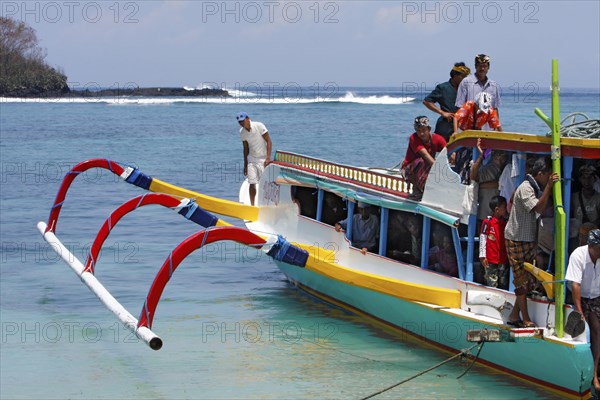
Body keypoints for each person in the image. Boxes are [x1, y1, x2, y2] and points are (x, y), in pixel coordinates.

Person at [504, 157, 559, 328]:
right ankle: (525, 318)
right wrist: (549, 187)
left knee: (525, 281)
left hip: (526, 239)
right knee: (521, 281)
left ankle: (514, 315)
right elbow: (538, 209)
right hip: (516, 239)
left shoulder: (534, 188)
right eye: (547, 175)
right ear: (541, 174)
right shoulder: (526, 188)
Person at [565, 229, 600, 392]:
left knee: (597, 330)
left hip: (596, 297)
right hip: (577, 296)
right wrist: (580, 312)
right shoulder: (578, 255)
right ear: (592, 246)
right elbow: (575, 285)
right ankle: (574, 371)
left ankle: (594, 374)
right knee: (576, 330)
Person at [451, 92, 502, 184]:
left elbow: (497, 126)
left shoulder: (490, 110)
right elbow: (456, 117)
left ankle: (474, 180)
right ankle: (462, 181)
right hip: (465, 134)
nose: (482, 112)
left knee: (484, 156)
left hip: (478, 134)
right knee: (463, 160)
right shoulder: (469, 105)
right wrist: (455, 131)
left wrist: (501, 137)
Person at [423, 62, 471, 141]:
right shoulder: (443, 88)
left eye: (466, 77)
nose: (465, 79)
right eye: (463, 76)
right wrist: (442, 112)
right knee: (442, 151)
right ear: (455, 75)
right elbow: (427, 101)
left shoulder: (467, 89)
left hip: (462, 127)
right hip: (445, 127)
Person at [401, 116, 447, 196]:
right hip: (409, 169)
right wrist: (441, 171)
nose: (421, 133)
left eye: (423, 130)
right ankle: (417, 189)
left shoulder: (438, 139)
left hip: (428, 167)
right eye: (418, 131)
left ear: (429, 129)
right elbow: (425, 155)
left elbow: (449, 151)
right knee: (423, 161)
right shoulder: (414, 138)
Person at [237, 112, 272, 206]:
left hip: (263, 158)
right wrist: (245, 165)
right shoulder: (242, 132)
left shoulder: (259, 126)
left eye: (243, 121)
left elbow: (268, 141)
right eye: (239, 122)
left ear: (248, 119)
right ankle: (252, 206)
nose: (241, 123)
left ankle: (265, 205)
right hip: (251, 159)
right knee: (252, 183)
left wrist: (268, 158)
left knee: (264, 184)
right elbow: (245, 148)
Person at [471, 138, 508, 223]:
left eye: (503, 155)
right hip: (486, 213)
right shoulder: (489, 169)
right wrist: (480, 156)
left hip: (495, 214)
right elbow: (474, 177)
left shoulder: (503, 169)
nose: (501, 157)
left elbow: (499, 183)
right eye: (498, 155)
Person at [479, 195, 509, 289]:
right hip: (490, 260)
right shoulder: (487, 222)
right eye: (504, 208)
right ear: (497, 210)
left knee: (503, 284)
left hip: (502, 260)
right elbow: (483, 238)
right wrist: (482, 256)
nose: (506, 210)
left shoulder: (505, 224)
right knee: (492, 284)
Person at [570, 164, 600, 252]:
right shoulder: (573, 197)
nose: (586, 181)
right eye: (584, 177)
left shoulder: (598, 198)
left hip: (594, 237)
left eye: (589, 178)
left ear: (594, 179)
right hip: (577, 237)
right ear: (580, 179)